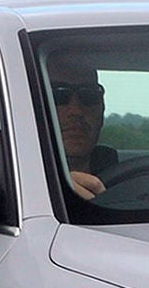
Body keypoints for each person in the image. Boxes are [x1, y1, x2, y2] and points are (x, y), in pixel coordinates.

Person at [46, 57, 116, 200]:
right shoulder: (16, 189)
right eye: (59, 96)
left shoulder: (133, 183)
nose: (76, 111)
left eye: (89, 95)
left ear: (102, 109)